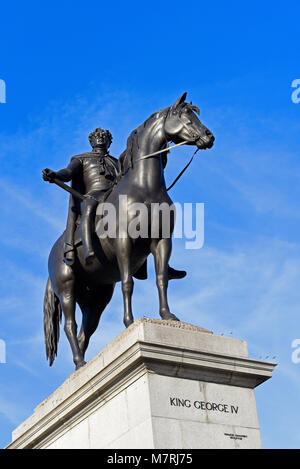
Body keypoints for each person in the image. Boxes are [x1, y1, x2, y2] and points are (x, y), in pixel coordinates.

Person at [42, 127, 186, 278]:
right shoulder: (81, 159)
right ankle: (88, 247)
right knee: (90, 207)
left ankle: (155, 263)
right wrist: (56, 174)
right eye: (96, 136)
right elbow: (68, 173)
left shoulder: (117, 163)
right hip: (94, 195)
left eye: (104, 136)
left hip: (115, 196)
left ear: (109, 142)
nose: (100, 138)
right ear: (91, 141)